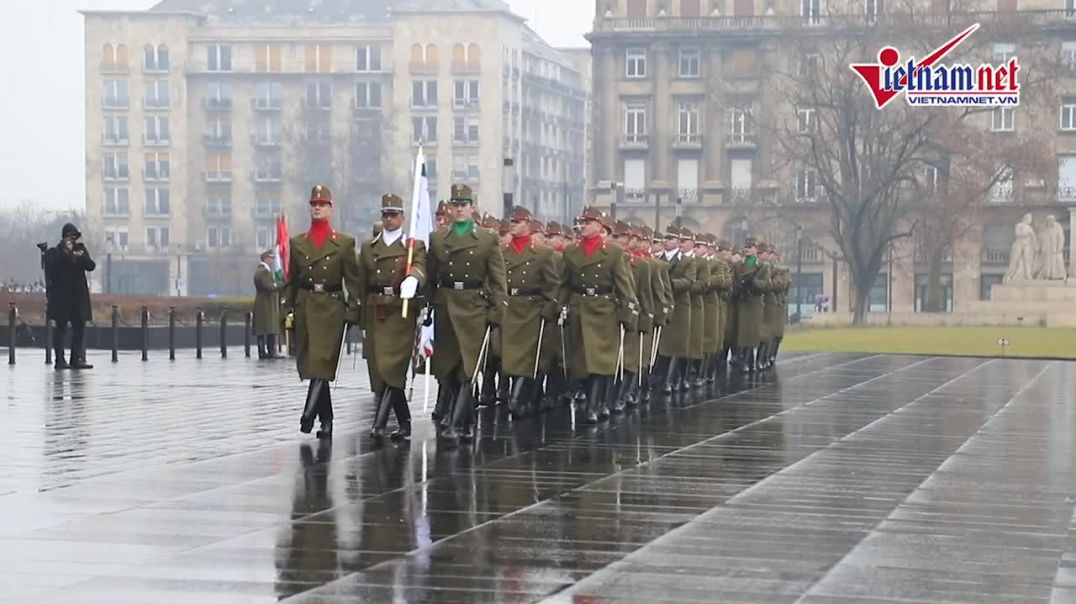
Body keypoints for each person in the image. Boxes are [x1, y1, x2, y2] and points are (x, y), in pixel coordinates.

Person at [428, 184, 508, 442]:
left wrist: (498, 310)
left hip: (474, 306)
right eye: (455, 204)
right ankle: (466, 420)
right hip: (447, 305)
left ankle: (454, 421)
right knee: (448, 367)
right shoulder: (438, 238)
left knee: (468, 368)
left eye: (464, 204)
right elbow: (431, 277)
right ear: (450, 208)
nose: (459, 209)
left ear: (472, 208)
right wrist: (426, 304)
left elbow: (498, 279)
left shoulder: (486, 238)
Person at [283, 185, 361, 439]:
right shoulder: (298, 243)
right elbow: (291, 281)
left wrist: (352, 310)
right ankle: (326, 420)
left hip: (331, 308)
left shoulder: (344, 243)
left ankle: (308, 414)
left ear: (330, 209)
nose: (317, 207)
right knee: (314, 365)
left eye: (322, 204)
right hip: (306, 305)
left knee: (321, 363)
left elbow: (353, 280)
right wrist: (287, 310)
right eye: (314, 204)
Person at [357, 194, 427, 441]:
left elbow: (421, 266)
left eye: (394, 214)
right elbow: (361, 284)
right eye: (385, 214)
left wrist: (413, 279)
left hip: (400, 312)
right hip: (376, 311)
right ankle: (405, 421)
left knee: (393, 367)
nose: (389, 219)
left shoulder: (412, 246)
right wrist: (359, 316)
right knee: (379, 368)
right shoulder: (368, 248)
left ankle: (379, 423)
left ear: (402, 218)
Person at [559, 207, 638, 424]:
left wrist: (627, 312)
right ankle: (597, 400)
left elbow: (624, 287)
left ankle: (594, 405)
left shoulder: (613, 253)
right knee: (582, 363)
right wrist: (561, 306)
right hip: (579, 308)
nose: (583, 226)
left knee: (601, 362)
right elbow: (564, 284)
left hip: (604, 310)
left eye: (588, 223)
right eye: (581, 223)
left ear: (598, 227)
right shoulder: (571, 252)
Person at [500, 207, 561, 419]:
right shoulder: (502, 252)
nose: (513, 225)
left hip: (532, 310)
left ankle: (518, 399)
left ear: (528, 223)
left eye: (517, 222)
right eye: (512, 222)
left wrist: (548, 308)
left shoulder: (543, 253)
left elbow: (553, 285)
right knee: (510, 357)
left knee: (529, 358)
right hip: (510, 307)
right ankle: (522, 397)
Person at [44, 223, 96, 370]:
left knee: (79, 328)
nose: (72, 240)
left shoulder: (80, 249)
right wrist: (64, 251)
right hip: (62, 297)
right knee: (61, 329)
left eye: (74, 237)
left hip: (78, 296)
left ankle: (76, 359)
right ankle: (60, 360)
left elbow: (91, 266)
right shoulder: (56, 252)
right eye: (69, 237)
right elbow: (53, 265)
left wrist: (80, 256)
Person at [253, 250, 283, 360]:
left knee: (262, 330)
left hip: (263, 303)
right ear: (265, 258)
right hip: (266, 304)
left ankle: (263, 351)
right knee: (269, 328)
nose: (272, 260)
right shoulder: (264, 272)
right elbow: (268, 286)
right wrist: (280, 285)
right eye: (271, 258)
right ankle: (270, 351)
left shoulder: (260, 270)